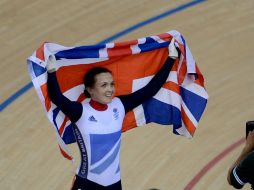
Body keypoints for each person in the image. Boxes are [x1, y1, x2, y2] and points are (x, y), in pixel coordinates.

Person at [46, 38, 178, 190]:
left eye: (111, 84)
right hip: (87, 184)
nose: (109, 89)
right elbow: (57, 97)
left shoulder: (119, 105)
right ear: (90, 89)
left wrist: (170, 59)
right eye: (103, 85)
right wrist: (51, 72)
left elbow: (149, 90)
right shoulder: (80, 111)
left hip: (114, 184)